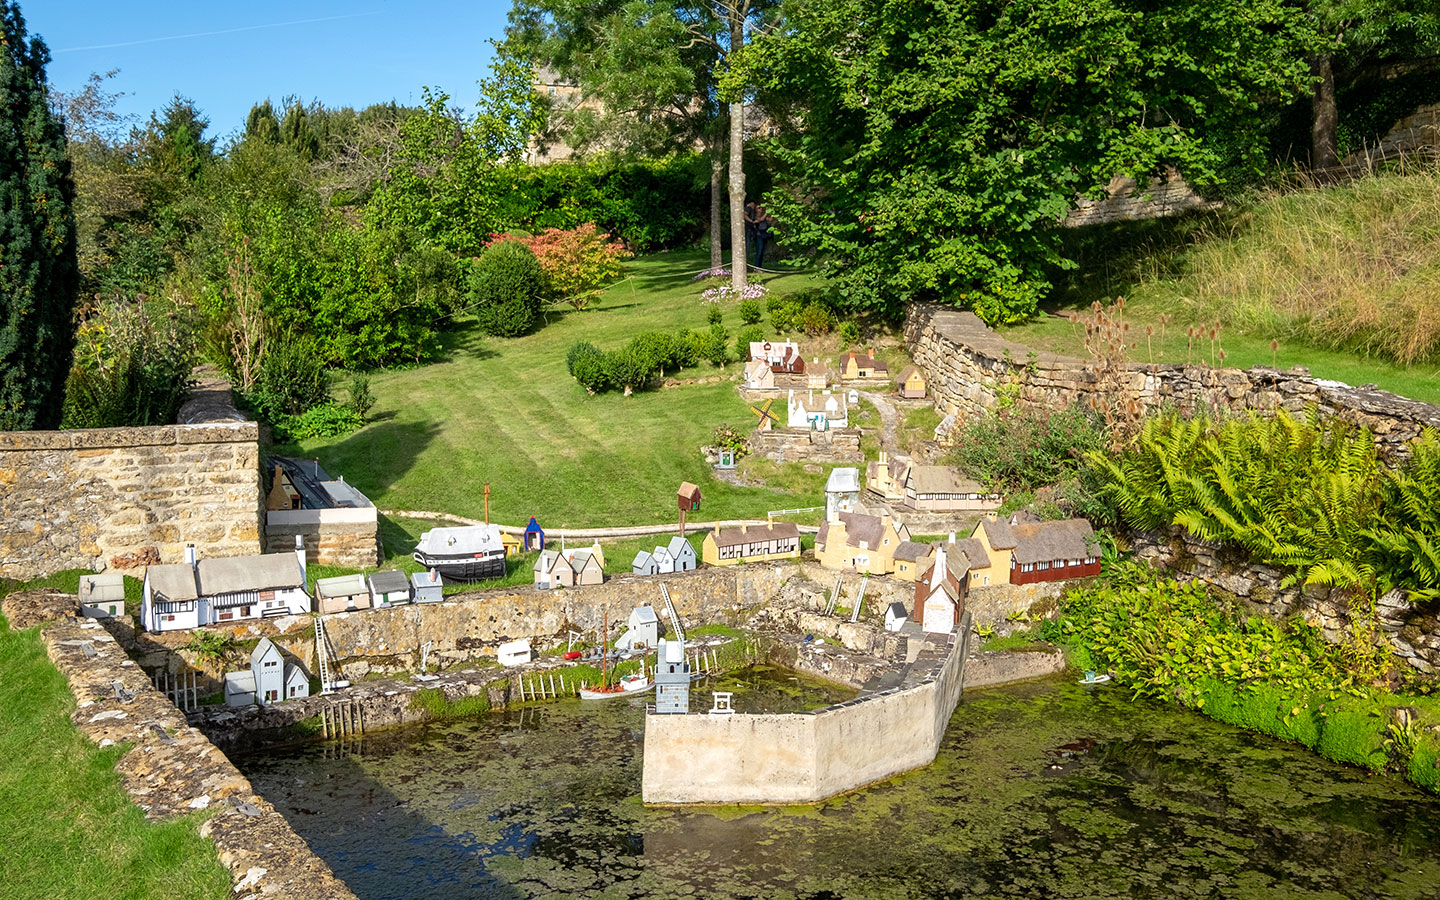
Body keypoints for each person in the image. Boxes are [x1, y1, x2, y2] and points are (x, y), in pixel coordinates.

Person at [753, 203, 773, 268]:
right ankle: (756, 267)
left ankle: (760, 267)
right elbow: (760, 220)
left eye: (761, 207)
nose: (760, 209)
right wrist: (766, 213)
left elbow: (770, 220)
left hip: (765, 235)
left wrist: (772, 212)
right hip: (759, 236)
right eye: (758, 208)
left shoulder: (764, 217)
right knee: (759, 251)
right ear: (755, 210)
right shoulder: (754, 217)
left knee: (762, 252)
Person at [743, 200, 759, 266]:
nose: (753, 206)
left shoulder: (752, 211)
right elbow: (744, 214)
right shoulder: (748, 208)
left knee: (747, 246)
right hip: (747, 229)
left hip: (749, 229)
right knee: (746, 246)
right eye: (752, 204)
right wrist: (751, 221)